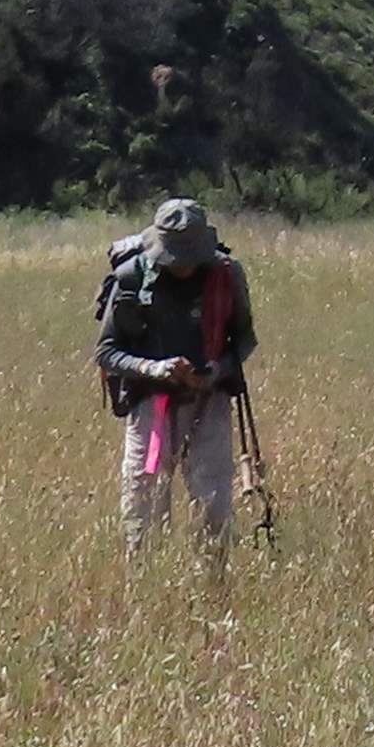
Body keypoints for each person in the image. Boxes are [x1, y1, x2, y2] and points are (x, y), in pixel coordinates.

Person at [97, 195, 259, 554]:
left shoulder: (228, 276)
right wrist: (154, 368)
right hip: (150, 406)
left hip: (210, 399)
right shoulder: (131, 277)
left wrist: (216, 370)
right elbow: (106, 352)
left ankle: (217, 586)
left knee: (215, 506)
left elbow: (245, 339)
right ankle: (147, 591)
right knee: (144, 511)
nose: (183, 266)